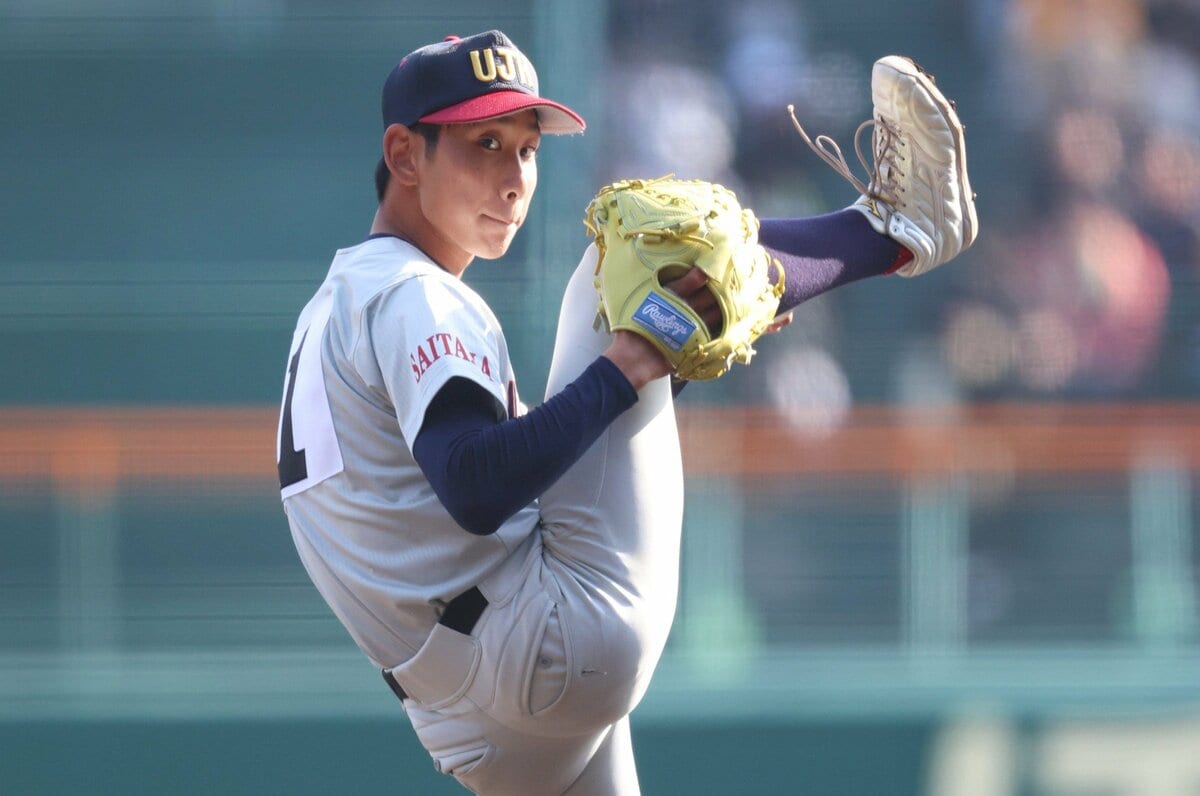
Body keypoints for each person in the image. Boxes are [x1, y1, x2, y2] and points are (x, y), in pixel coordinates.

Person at [275, 29, 975, 796]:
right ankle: (893, 229)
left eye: (528, 150)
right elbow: (477, 485)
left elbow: (538, 475)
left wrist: (655, 365)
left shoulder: (337, 306)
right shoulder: (412, 293)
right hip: (541, 644)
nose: (514, 178)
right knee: (630, 249)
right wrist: (635, 361)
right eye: (486, 144)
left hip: (471, 721)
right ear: (405, 155)